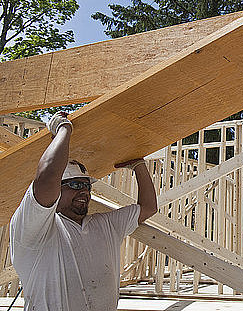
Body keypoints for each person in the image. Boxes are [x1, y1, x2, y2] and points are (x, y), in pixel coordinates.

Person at [9, 111, 158, 311]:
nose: (85, 191)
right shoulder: (35, 229)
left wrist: (138, 165)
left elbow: (148, 207)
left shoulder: (106, 225)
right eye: (75, 185)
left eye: (87, 186)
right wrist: (63, 129)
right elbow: (46, 179)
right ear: (58, 187)